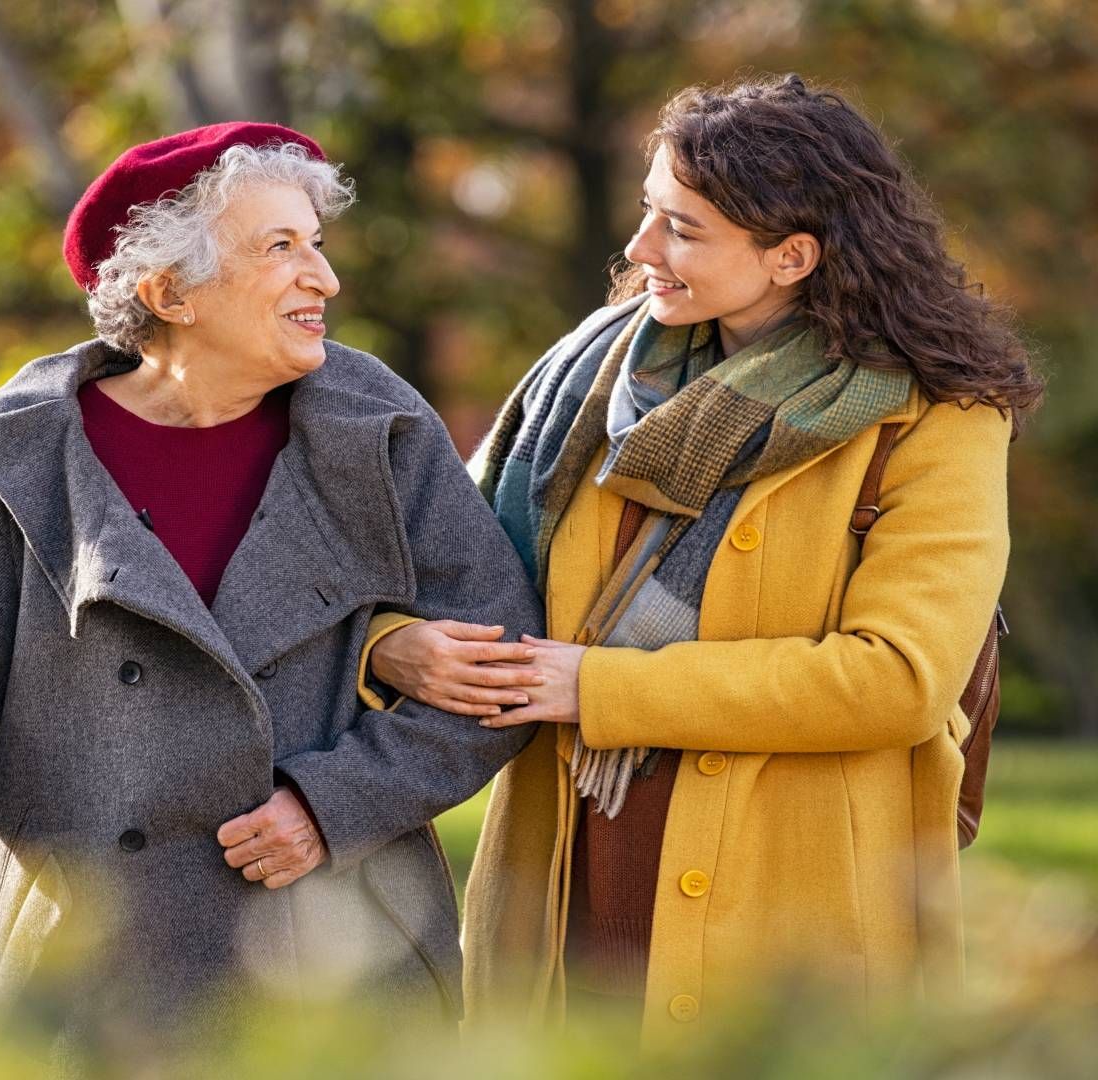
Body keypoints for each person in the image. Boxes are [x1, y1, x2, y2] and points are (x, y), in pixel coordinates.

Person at [0, 122, 543, 1060]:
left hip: (337, 963)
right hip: (92, 971)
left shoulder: (376, 427)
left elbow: (501, 671)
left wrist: (333, 805)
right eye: (280, 249)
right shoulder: (18, 456)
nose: (323, 279)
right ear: (169, 292)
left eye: (316, 245)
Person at [362, 74, 1042, 1045]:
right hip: (564, 895)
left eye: (682, 229)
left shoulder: (937, 420)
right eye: (648, 213)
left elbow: (897, 679)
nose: (640, 252)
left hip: (789, 926)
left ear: (791, 256)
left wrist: (599, 688)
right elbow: (441, 572)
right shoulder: (589, 382)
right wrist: (396, 646)